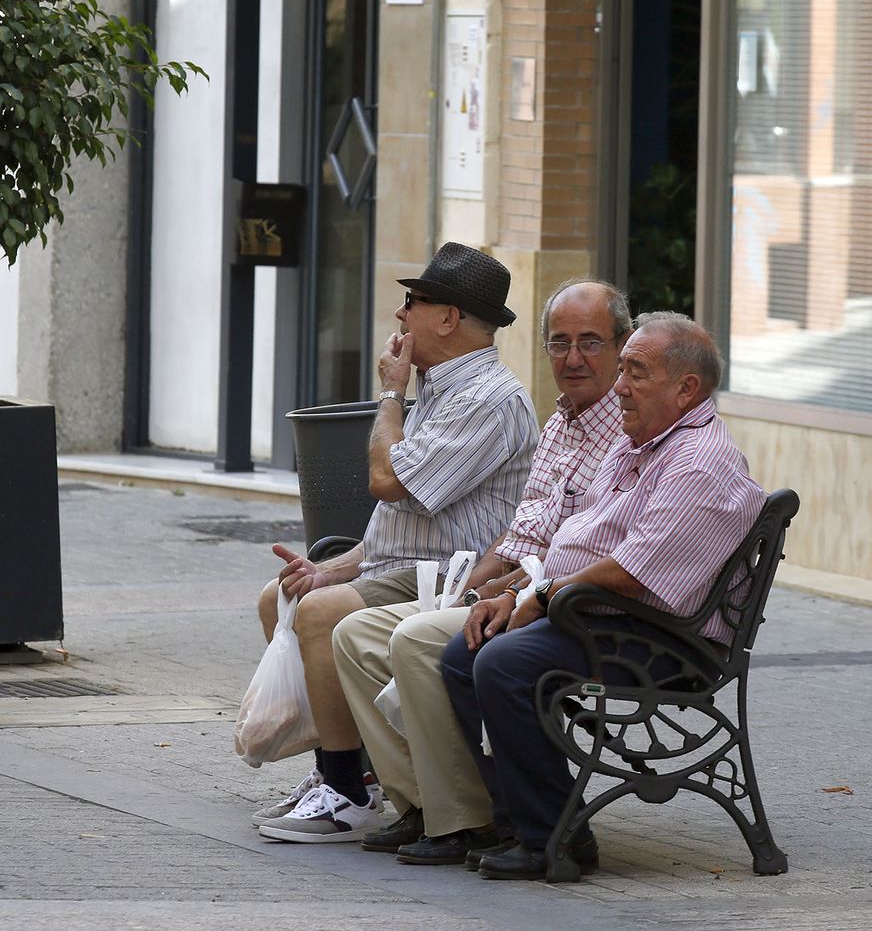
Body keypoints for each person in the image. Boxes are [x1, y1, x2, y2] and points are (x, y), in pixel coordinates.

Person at [441, 311, 765, 880]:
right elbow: (578, 543)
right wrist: (518, 591)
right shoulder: (641, 442)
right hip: (601, 618)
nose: (618, 386)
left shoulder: (700, 463)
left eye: (635, 373)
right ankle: (527, 818)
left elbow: (633, 574)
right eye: (623, 372)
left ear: (686, 388)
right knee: (463, 653)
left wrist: (539, 601)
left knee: (502, 663)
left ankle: (553, 837)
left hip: (662, 642)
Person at [328, 279, 632, 864]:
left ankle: (466, 817)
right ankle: (424, 803)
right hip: (508, 585)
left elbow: (593, 552)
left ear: (622, 345)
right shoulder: (564, 422)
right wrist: (470, 589)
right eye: (559, 343)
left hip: (568, 607)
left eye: (591, 343)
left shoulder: (620, 431)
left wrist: (513, 592)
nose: (572, 359)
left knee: (413, 638)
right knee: (354, 634)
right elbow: (523, 531)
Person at [252, 242, 540, 843]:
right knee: (281, 594)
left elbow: (387, 482)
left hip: (453, 579)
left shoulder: (488, 398)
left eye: (413, 301)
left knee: (319, 612)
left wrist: (390, 394)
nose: (400, 315)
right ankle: (352, 767)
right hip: (411, 564)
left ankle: (346, 793)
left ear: (447, 318)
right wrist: (332, 568)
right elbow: (400, 524)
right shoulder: (440, 386)